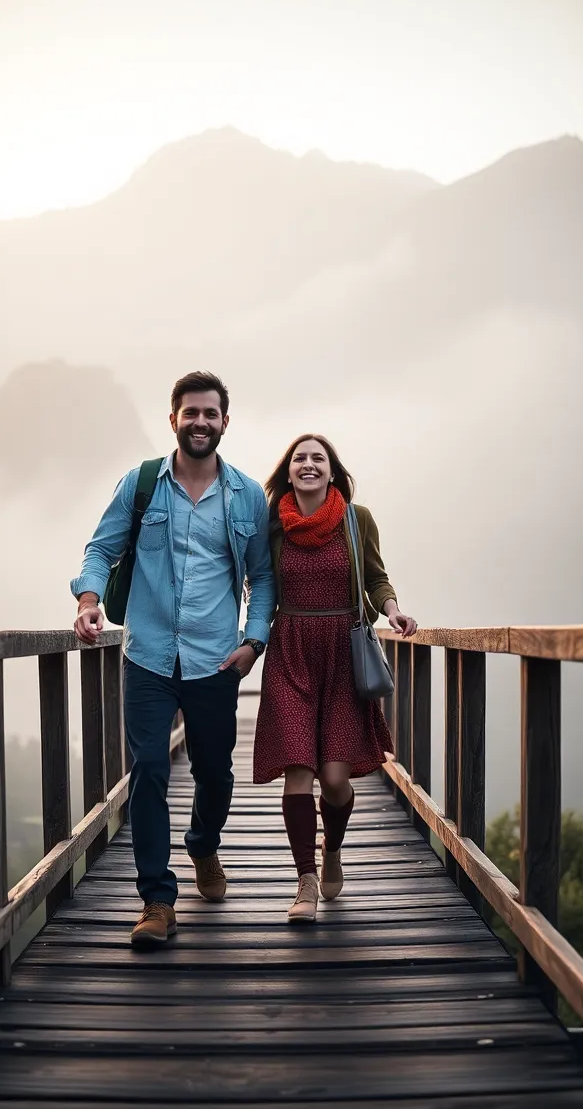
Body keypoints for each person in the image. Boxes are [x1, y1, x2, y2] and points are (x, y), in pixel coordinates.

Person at [72, 372, 275, 945]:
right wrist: (88, 600)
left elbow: (261, 577)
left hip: (216, 661)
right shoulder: (140, 485)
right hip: (149, 658)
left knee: (215, 773)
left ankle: (204, 846)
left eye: (211, 414)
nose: (201, 422)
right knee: (150, 772)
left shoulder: (247, 495)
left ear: (225, 422)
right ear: (174, 420)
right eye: (191, 413)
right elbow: (101, 548)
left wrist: (253, 641)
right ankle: (157, 901)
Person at [253, 434, 417, 923]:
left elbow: (375, 576)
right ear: (288, 470)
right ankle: (305, 882)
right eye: (300, 458)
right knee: (298, 769)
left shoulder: (355, 518)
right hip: (292, 650)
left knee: (335, 779)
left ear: (331, 469)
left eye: (317, 458)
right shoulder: (272, 524)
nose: (308, 465)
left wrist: (392, 610)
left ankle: (333, 849)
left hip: (343, 652)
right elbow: (257, 582)